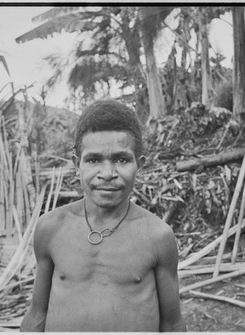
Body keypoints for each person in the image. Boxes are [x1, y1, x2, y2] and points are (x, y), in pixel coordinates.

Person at [20, 99, 186, 332]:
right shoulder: (51, 229)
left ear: (139, 164)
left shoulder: (158, 236)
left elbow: (172, 323)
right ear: (78, 164)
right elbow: (38, 313)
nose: (107, 174)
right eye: (94, 160)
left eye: (121, 159)